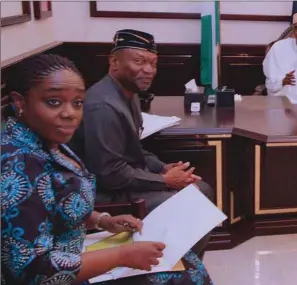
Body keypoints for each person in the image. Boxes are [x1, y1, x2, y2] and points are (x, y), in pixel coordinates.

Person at [1, 54, 228, 285]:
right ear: (21, 102)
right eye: (54, 102)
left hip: (66, 263)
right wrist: (121, 256)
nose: (69, 113)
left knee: (186, 263)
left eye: (77, 103)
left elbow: (55, 207)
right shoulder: (17, 166)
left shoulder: (44, 142)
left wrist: (101, 220)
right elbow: (32, 270)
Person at [69, 29, 214, 257]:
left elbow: (135, 149)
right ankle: (175, 268)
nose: (148, 70)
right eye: (139, 61)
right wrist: (165, 181)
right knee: (194, 201)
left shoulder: (130, 93)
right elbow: (110, 174)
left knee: (200, 189)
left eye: (153, 63)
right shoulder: (103, 106)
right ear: (114, 62)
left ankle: (183, 264)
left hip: (124, 181)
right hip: (104, 194)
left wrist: (163, 168)